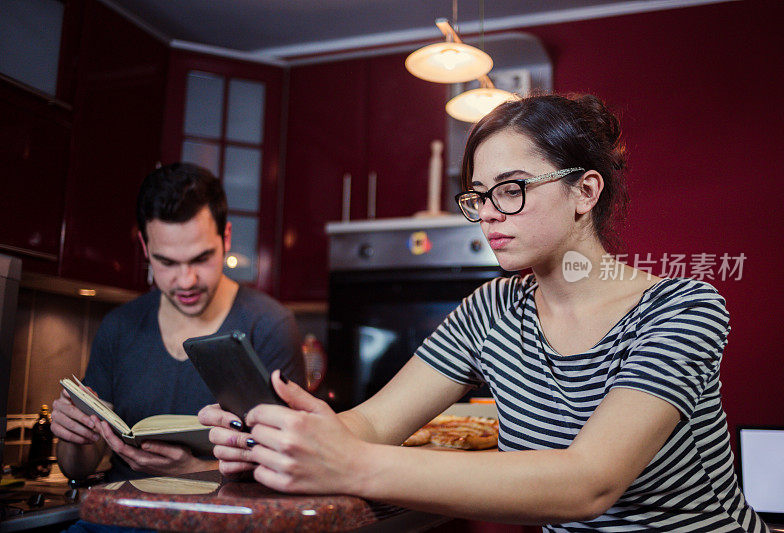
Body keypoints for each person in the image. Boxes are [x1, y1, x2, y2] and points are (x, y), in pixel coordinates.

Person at [199, 94, 768, 532]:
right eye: (478, 196)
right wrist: (280, 437)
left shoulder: (682, 308)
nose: (490, 214)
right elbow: (371, 423)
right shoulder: (492, 310)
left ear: (585, 191)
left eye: (512, 189)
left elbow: (589, 482)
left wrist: (350, 465)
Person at [51, 162, 305, 482]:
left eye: (201, 258)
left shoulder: (269, 326)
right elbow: (78, 467)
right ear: (146, 248)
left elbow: (292, 463)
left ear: (225, 238)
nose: (186, 281)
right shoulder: (119, 327)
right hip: (116, 518)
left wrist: (193, 471)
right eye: (167, 262)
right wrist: (73, 437)